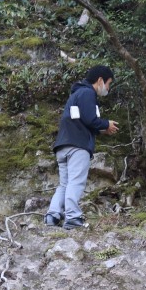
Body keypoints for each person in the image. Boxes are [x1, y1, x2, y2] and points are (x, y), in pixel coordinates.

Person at [45, 65, 120, 230]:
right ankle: (72, 218)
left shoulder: (76, 94)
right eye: (108, 84)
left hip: (63, 145)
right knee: (76, 182)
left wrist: (102, 129)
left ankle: (53, 215)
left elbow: (81, 120)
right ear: (100, 80)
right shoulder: (88, 93)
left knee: (64, 184)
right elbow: (90, 118)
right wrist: (106, 123)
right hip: (78, 146)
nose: (108, 88)